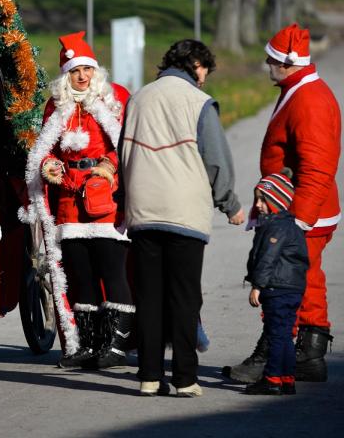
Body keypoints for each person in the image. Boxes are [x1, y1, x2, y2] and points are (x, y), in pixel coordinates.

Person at [118, 39, 245, 397]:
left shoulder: (138, 98)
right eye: (204, 70)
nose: (204, 79)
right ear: (193, 64)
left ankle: (149, 375)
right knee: (185, 297)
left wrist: (125, 201)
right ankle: (185, 378)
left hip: (143, 212)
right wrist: (230, 203)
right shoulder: (198, 103)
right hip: (184, 213)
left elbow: (123, 152)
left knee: (149, 296)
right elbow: (215, 158)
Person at [225, 23, 341, 383]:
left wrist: (299, 221)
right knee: (306, 280)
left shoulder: (309, 100)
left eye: (271, 59)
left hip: (300, 214)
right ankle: (306, 353)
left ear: (288, 63)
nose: (266, 64)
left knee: (281, 285)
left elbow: (318, 166)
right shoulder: (300, 89)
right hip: (297, 211)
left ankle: (278, 352)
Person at [21, 32, 133, 370]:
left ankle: (116, 343)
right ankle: (88, 342)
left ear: (95, 72)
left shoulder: (114, 101)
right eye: (74, 71)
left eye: (86, 69)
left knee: (112, 271)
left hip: (105, 199)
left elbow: (125, 144)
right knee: (80, 274)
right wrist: (49, 165)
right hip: (69, 198)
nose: (82, 76)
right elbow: (46, 150)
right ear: (65, 76)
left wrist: (110, 165)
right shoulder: (55, 107)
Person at [243, 169, 309, 396]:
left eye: (263, 199)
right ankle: (287, 378)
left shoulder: (277, 227)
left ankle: (271, 379)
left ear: (277, 201)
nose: (258, 205)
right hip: (292, 289)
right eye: (257, 199)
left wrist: (257, 286)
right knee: (284, 335)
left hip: (277, 288)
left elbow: (268, 259)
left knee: (276, 335)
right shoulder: (291, 226)